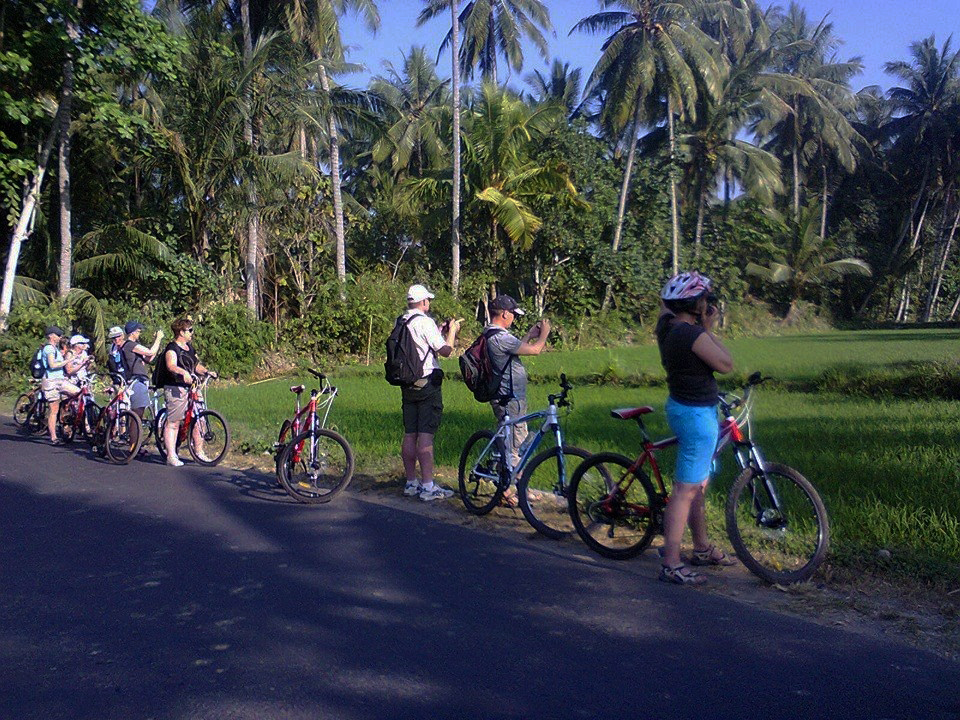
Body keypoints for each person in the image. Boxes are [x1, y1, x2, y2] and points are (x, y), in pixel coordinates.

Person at [654, 271, 736, 585]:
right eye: (704, 299)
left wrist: (699, 319)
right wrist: (708, 327)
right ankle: (671, 563)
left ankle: (700, 548)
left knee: (696, 487)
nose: (708, 303)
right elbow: (726, 364)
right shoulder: (690, 335)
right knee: (684, 492)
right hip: (696, 417)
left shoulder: (668, 327)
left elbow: (665, 307)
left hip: (685, 408)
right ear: (695, 303)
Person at [484, 294, 550, 506]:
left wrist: (529, 335)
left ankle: (514, 486)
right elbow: (535, 351)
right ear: (504, 313)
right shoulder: (500, 337)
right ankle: (514, 490)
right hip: (510, 399)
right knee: (516, 445)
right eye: (512, 314)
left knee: (511, 443)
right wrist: (543, 335)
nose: (513, 318)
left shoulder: (493, 334)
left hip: (507, 398)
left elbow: (514, 351)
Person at [398, 284, 461, 501]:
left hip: (407, 383)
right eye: (428, 300)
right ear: (423, 302)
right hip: (427, 384)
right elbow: (445, 350)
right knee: (425, 436)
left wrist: (440, 332)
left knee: (410, 433)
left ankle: (410, 482)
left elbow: (420, 345)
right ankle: (427, 486)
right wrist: (451, 333)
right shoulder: (425, 322)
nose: (429, 303)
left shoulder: (402, 320)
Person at [156, 317, 211, 467]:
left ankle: (199, 451)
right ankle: (171, 455)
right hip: (176, 388)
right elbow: (171, 366)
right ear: (181, 332)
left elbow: (196, 365)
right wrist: (183, 373)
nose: (192, 333)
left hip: (192, 387)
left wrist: (206, 371)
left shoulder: (189, 347)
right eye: (190, 330)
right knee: (174, 422)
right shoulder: (172, 348)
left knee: (200, 419)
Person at [39, 326, 79, 444]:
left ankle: (66, 412)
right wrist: (68, 360)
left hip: (60, 379)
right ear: (51, 336)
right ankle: (53, 437)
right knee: (53, 409)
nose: (60, 337)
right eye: (58, 335)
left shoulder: (55, 349)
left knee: (78, 392)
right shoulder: (49, 349)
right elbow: (52, 365)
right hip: (51, 381)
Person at [121, 320, 163, 421]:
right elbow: (149, 352)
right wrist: (158, 338)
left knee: (140, 411)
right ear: (133, 332)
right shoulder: (130, 345)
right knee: (137, 413)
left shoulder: (134, 346)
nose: (139, 333)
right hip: (136, 381)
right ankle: (135, 436)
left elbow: (149, 358)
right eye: (138, 331)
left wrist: (157, 343)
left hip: (141, 380)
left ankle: (136, 434)